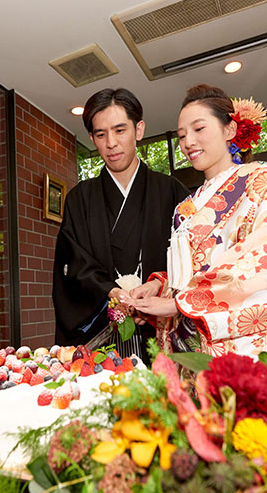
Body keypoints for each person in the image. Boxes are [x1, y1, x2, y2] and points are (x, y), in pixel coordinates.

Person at [128, 84, 267, 422]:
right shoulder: (185, 206)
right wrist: (159, 286)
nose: (188, 141)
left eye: (199, 129)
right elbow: (187, 271)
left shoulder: (258, 178)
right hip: (192, 338)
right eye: (182, 134)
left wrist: (179, 303)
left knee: (252, 440)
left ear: (229, 129)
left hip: (245, 338)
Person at [52, 88, 189, 361]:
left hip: (159, 330)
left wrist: (157, 289)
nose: (111, 143)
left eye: (120, 130)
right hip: (103, 327)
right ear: (92, 138)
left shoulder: (171, 191)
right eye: (101, 135)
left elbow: (192, 260)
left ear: (139, 130)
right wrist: (113, 294)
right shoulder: (80, 198)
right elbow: (74, 265)